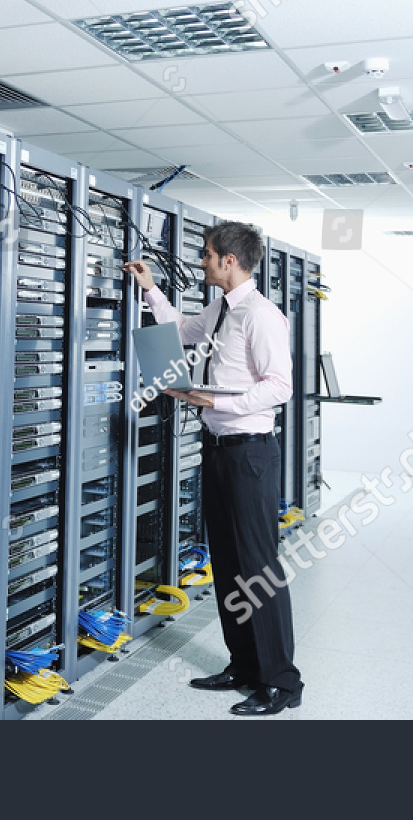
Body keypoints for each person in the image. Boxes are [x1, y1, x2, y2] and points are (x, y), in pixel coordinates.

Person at [125, 221, 300, 716]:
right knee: (226, 563)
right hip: (219, 448)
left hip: (250, 452)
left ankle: (282, 682)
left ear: (229, 260)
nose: (200, 261)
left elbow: (279, 385)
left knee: (258, 569)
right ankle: (244, 667)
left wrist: (217, 399)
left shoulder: (262, 315)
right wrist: (151, 290)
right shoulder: (222, 309)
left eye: (206, 254)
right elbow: (183, 332)